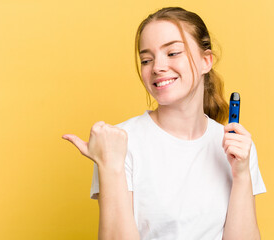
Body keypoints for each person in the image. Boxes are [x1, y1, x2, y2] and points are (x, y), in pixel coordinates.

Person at [62, 7, 266, 240]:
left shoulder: (236, 146)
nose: (157, 67)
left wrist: (241, 174)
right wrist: (110, 165)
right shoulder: (118, 143)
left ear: (205, 61)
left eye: (172, 53)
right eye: (146, 59)